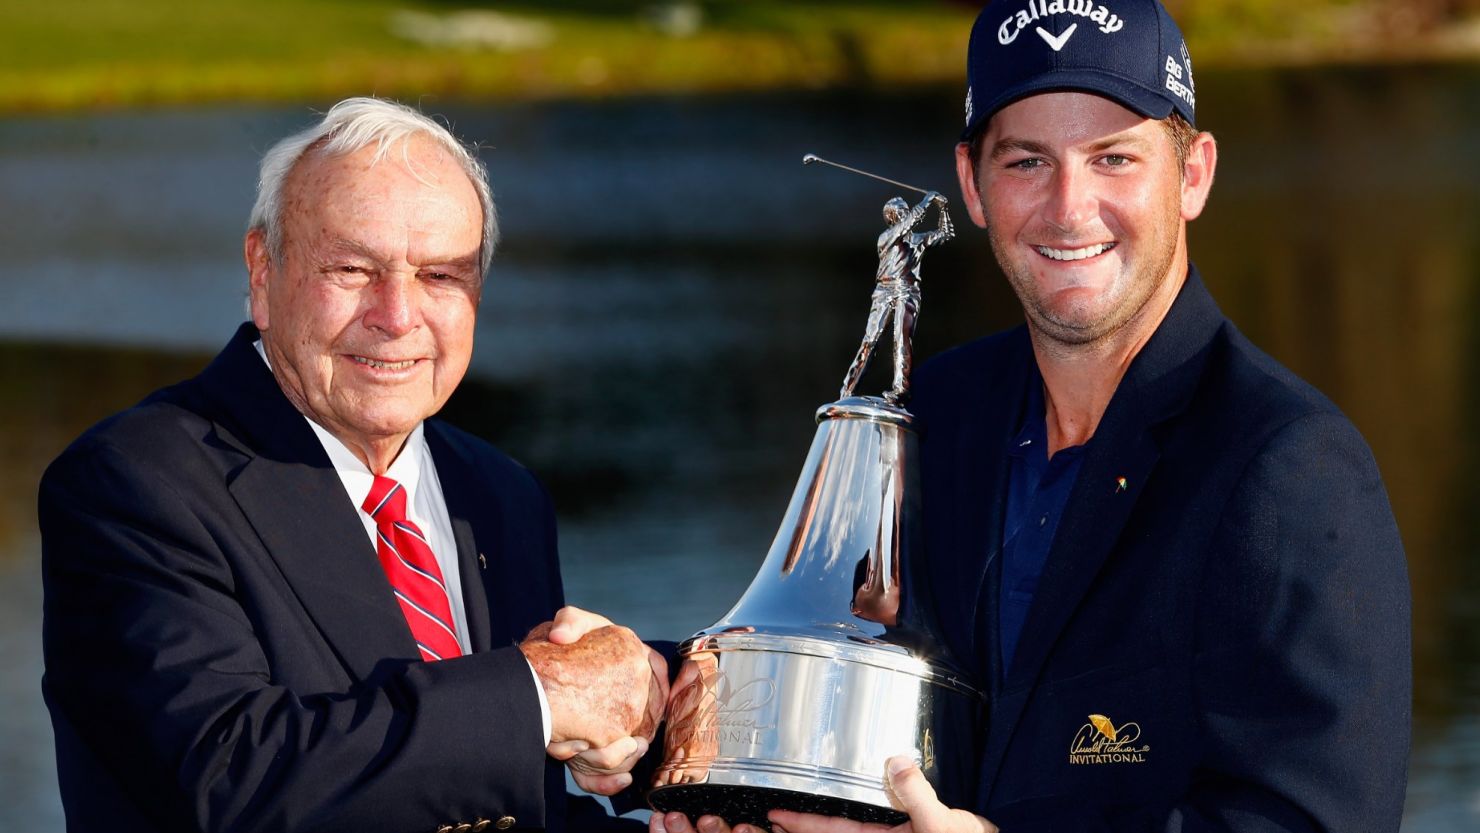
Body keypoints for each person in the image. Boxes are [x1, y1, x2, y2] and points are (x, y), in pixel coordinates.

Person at [652, 1, 1410, 832]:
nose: (1067, 207)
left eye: (1114, 158)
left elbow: (1312, 819)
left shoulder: (1288, 467)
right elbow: (833, 658)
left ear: (1193, 175)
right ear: (972, 185)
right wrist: (645, 696)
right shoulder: (941, 414)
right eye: (1026, 163)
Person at [40, 97, 667, 833]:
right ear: (262, 271)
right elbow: (233, 782)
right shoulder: (136, 481)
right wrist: (539, 696)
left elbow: (500, 808)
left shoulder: (499, 492)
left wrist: (679, 758)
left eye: (440, 276)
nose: (398, 315)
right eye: (351, 267)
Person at [839, 191, 954, 405]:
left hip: (908, 291)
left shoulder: (918, 240)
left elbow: (945, 234)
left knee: (902, 340)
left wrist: (943, 209)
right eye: (900, 211)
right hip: (884, 291)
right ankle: (848, 389)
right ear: (891, 217)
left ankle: (900, 390)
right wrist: (927, 201)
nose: (904, 214)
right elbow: (909, 224)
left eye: (905, 210)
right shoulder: (886, 237)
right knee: (870, 340)